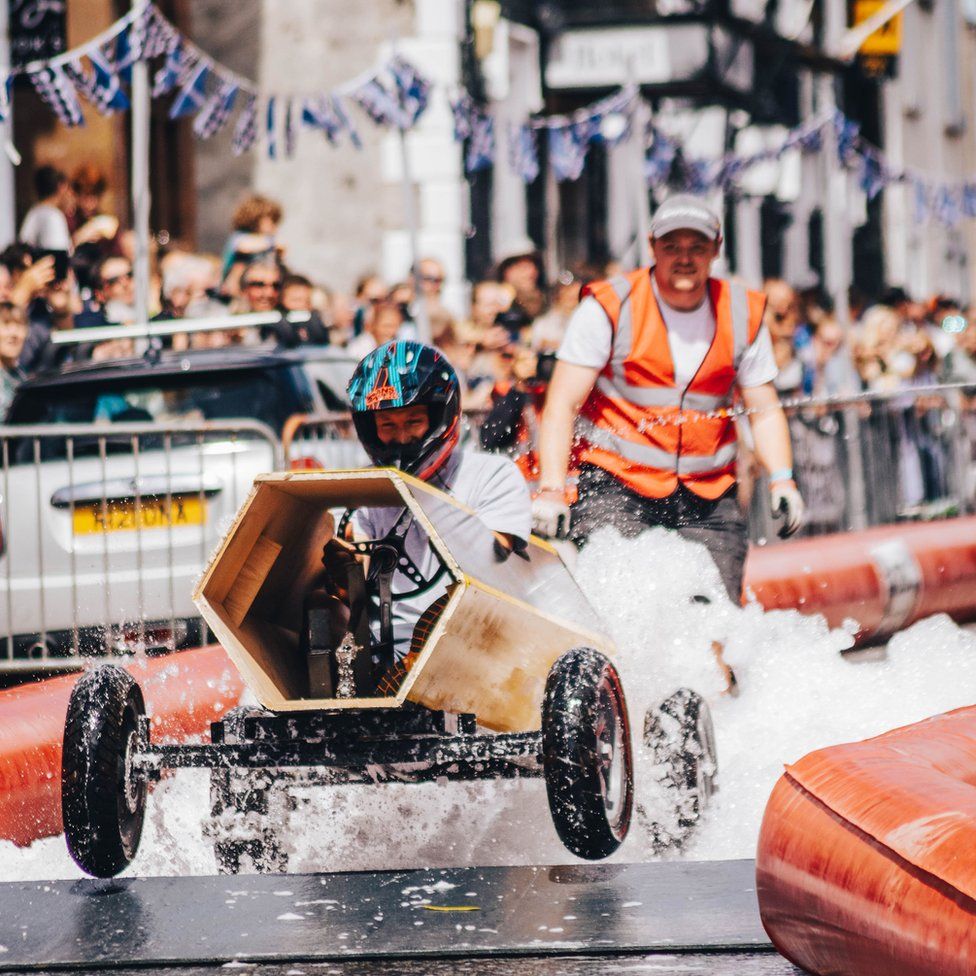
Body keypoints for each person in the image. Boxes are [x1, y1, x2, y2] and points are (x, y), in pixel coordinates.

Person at [533, 193, 803, 604]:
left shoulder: (742, 311)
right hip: (616, 487)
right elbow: (561, 406)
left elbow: (763, 410)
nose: (683, 257)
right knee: (627, 610)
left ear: (716, 250)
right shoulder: (610, 304)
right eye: (671, 246)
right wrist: (552, 490)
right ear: (652, 246)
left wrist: (783, 478)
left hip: (708, 497)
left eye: (696, 247)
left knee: (714, 625)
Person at [347, 340, 530, 667]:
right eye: (387, 425)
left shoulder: (492, 475)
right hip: (391, 646)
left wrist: (417, 492)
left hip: (480, 641)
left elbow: (494, 564)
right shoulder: (364, 493)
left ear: (440, 416)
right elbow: (351, 570)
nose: (401, 438)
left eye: (413, 422)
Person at [19, 165, 72, 253]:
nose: (69, 194)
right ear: (61, 187)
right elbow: (58, 258)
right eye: (68, 188)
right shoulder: (53, 217)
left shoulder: (33, 212)